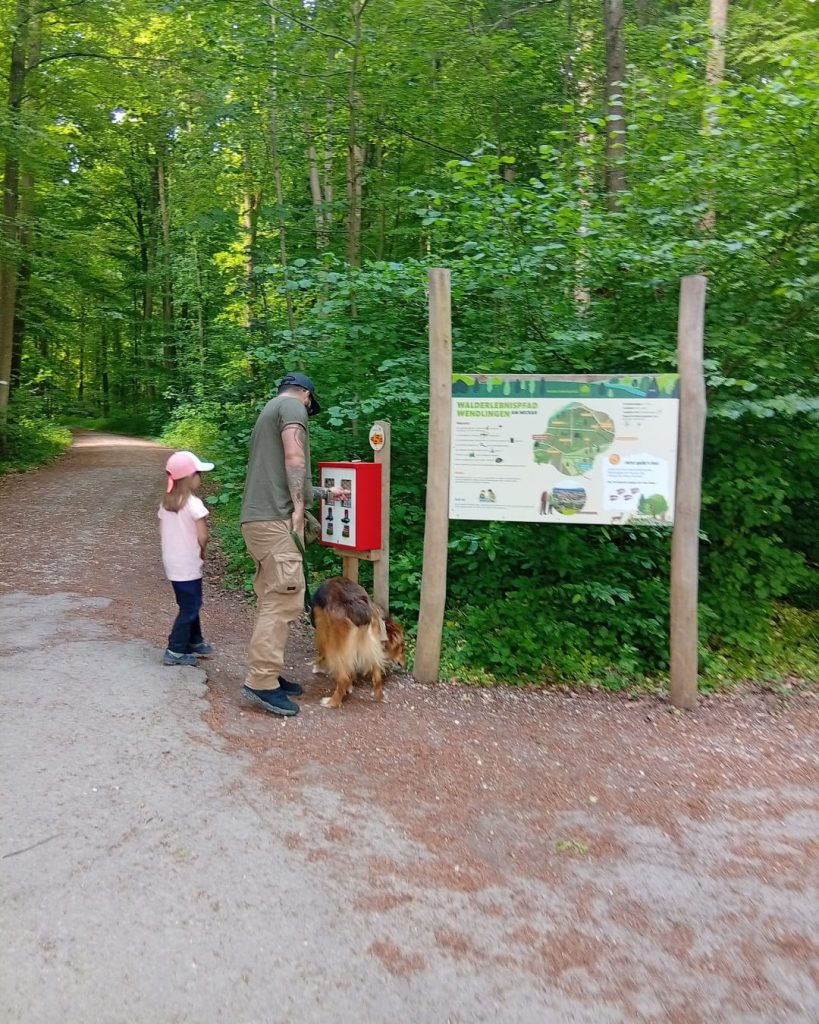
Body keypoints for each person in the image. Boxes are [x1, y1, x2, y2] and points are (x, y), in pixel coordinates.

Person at [240, 372, 348, 716]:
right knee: (282, 601)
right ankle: (261, 682)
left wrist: (323, 493)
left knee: (275, 598)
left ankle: (268, 674)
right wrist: (300, 511)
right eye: (310, 404)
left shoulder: (270, 409)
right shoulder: (292, 408)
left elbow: (283, 477)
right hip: (276, 523)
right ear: (305, 394)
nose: (308, 408)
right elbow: (294, 459)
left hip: (259, 521)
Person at [158, 450, 216, 667]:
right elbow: (203, 536)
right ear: (189, 477)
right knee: (191, 606)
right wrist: (203, 550)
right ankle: (175, 649)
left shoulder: (166, 503)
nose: (201, 478)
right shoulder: (194, 504)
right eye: (199, 473)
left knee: (188, 603)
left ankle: (194, 640)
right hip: (189, 563)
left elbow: (162, 531)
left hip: (173, 562)